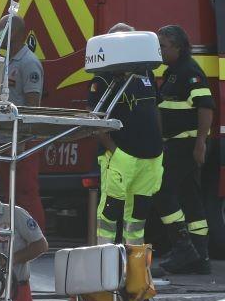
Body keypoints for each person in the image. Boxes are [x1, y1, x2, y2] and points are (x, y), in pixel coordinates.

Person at [88, 23, 164, 247]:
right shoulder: (102, 78)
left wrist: (160, 141)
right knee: (110, 212)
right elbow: (94, 119)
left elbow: (154, 107)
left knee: (138, 216)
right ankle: (105, 263)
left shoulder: (146, 71)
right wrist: (113, 149)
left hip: (149, 156)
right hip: (121, 155)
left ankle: (134, 270)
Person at [153, 24, 215, 275]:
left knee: (162, 190)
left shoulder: (189, 71)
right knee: (190, 197)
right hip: (177, 142)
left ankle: (183, 249)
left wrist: (200, 143)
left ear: (178, 46)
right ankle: (200, 257)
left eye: (163, 46)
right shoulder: (172, 71)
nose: (159, 51)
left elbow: (205, 107)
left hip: (186, 144)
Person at [0, 14, 45, 229]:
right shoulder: (3, 63)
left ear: (14, 33)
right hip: (5, 139)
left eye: (1, 29)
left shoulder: (29, 63)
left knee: (25, 192)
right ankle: (15, 235)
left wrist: (23, 138)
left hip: (22, 141)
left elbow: (33, 107)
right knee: (9, 192)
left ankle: (36, 240)